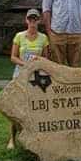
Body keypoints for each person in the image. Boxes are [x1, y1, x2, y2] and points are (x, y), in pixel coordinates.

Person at [8, 8, 50, 149]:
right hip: (20, 75)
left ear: (39, 21)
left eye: (35, 19)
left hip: (36, 77)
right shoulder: (19, 36)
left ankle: (36, 137)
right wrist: (25, 64)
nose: (32, 22)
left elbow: (46, 58)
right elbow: (13, 57)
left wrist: (38, 61)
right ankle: (12, 139)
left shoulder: (43, 38)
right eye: (30, 19)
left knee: (36, 106)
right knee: (17, 106)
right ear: (26, 20)